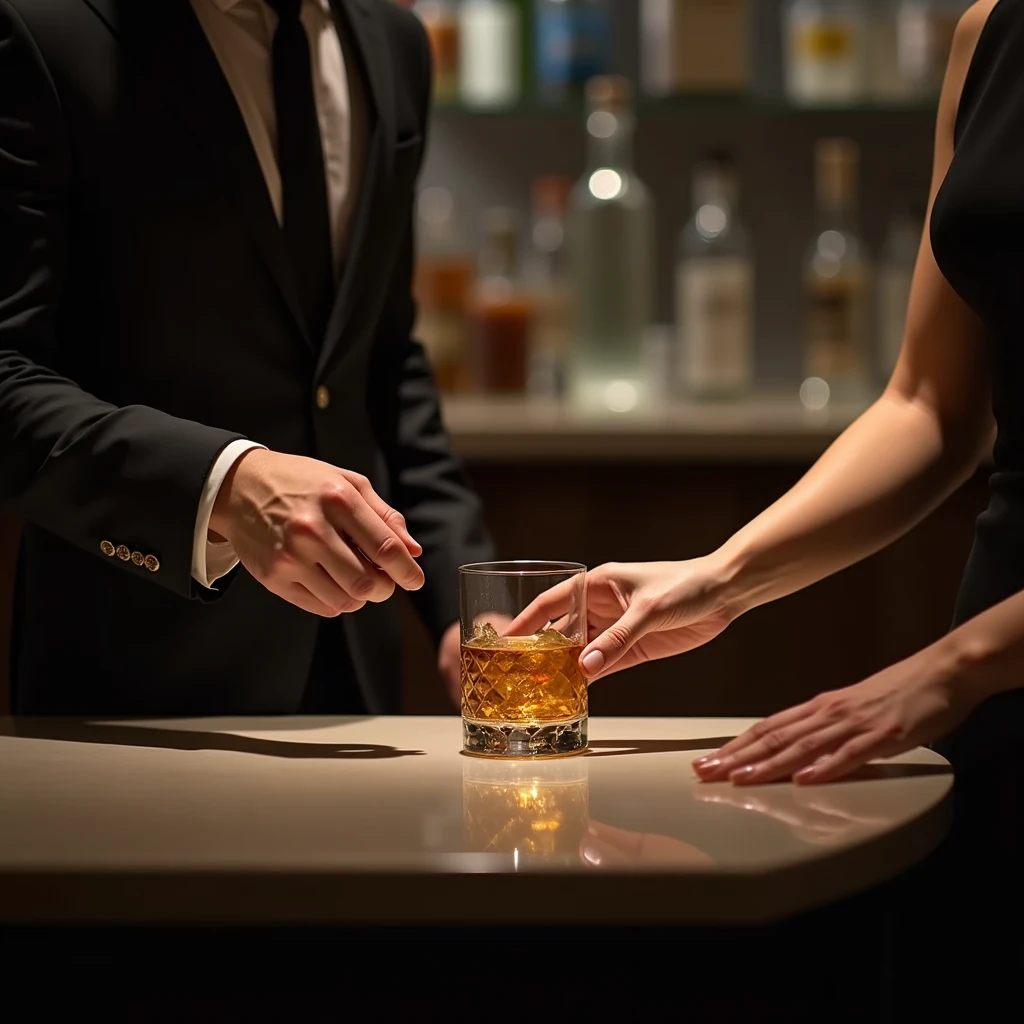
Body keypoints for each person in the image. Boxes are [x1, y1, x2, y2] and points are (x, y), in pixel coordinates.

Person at [0, 0, 493, 715]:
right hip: (138, 694)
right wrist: (224, 486)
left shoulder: (395, 43)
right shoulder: (44, 28)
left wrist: (465, 605)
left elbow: (378, 362)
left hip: (356, 683)